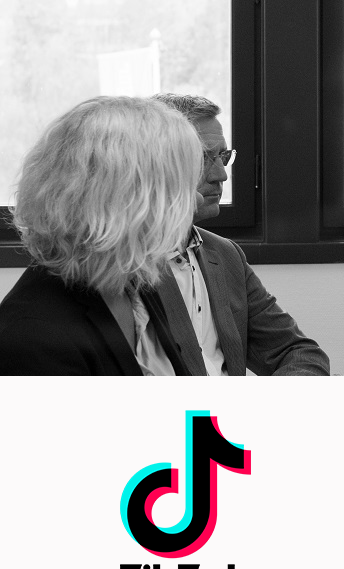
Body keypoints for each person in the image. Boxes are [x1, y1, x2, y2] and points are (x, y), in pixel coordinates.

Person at [0, 97, 200, 375]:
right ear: (127, 203)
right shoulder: (33, 338)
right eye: (179, 190)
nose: (196, 200)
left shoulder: (132, 281)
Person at [149, 93, 330, 376]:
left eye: (223, 157)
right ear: (157, 164)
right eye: (202, 158)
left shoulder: (225, 255)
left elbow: (298, 352)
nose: (221, 175)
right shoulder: (120, 266)